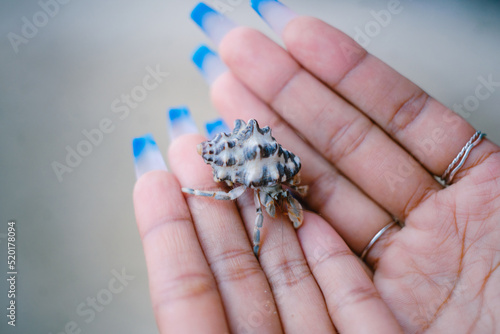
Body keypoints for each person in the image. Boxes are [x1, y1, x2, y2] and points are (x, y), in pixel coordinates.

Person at [132, 1, 500, 333]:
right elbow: (251, 205)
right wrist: (202, 196)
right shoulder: (262, 188)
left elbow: (287, 193)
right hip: (252, 167)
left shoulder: (278, 186)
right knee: (249, 210)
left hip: (263, 168)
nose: (283, 198)